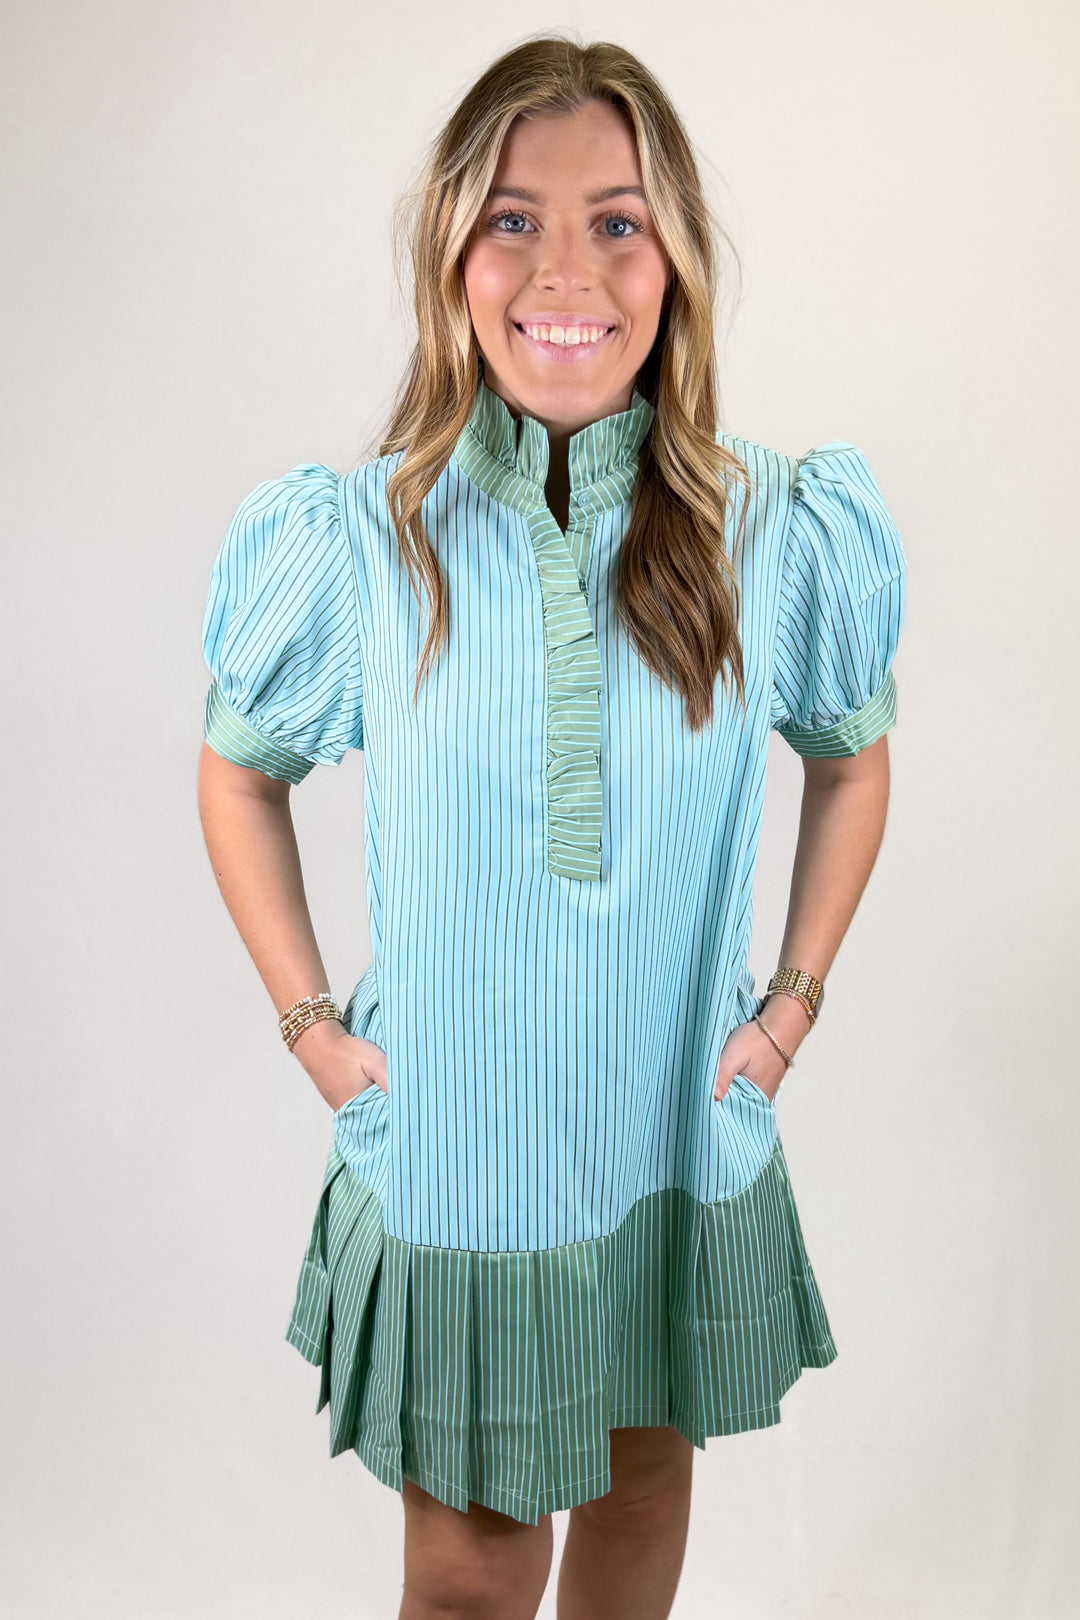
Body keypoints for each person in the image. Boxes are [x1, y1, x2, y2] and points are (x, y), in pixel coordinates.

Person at [197, 34, 906, 1620]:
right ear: (453, 250)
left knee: (645, 1502)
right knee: (470, 1577)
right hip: (468, 1165)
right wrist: (315, 1028)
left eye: (618, 221)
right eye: (514, 218)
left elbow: (853, 763)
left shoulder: (771, 527)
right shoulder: (364, 543)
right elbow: (237, 774)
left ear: (677, 262)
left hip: (669, 1138)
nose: (564, 268)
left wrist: (786, 1012)